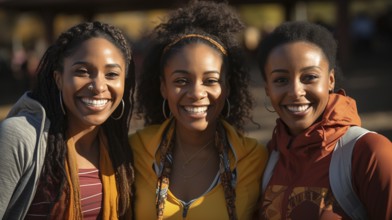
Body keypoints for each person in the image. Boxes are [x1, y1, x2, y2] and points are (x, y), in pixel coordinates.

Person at [129, 1, 268, 219]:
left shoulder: (254, 159)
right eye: (181, 80)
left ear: (227, 88)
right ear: (163, 87)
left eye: (210, 80)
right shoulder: (136, 150)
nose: (196, 92)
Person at [255, 21, 392, 219]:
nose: (295, 92)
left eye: (309, 77)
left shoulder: (370, 153)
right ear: (268, 88)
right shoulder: (269, 157)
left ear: (330, 80)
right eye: (281, 80)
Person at [0, 21, 136, 219]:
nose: (99, 86)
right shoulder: (20, 137)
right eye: (82, 71)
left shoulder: (120, 150)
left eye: (112, 74)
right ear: (59, 79)